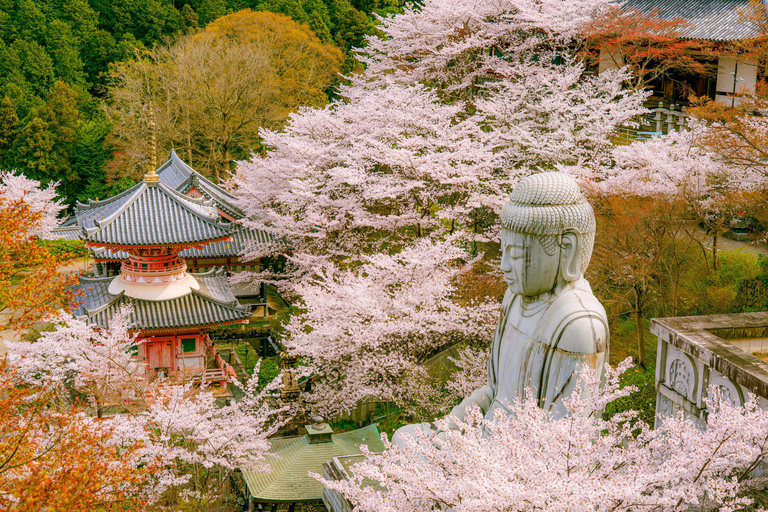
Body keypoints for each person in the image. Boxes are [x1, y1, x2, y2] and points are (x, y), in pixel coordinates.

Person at [393, 172, 608, 446]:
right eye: (503, 251)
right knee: (404, 438)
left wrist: (472, 452)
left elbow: (563, 445)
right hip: (486, 442)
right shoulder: (514, 298)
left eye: (516, 255)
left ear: (566, 249)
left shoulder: (577, 325)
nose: (504, 266)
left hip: (522, 465)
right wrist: (452, 423)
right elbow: (495, 390)